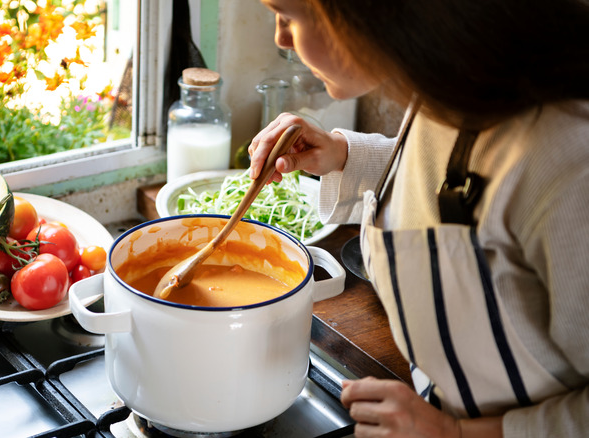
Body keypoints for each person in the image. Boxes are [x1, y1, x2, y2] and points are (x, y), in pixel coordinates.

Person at [249, 0, 589, 437]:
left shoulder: (567, 160)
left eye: (288, 15)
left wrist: (454, 434)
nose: (280, 39)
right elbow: (453, 178)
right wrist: (341, 156)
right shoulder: (455, 80)